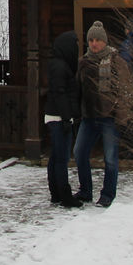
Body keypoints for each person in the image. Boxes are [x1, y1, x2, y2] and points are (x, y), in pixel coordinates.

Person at [74, 20, 130, 207]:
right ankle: (85, 191)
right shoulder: (83, 62)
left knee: (110, 158)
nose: (94, 44)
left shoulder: (116, 61)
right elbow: (78, 89)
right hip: (88, 116)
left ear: (104, 41)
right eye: (91, 40)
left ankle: (108, 194)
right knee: (79, 153)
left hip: (109, 116)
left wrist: (122, 115)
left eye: (98, 40)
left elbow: (125, 89)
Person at [43, 30, 83, 209]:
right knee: (61, 158)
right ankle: (64, 195)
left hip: (56, 115)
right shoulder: (60, 67)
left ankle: (56, 193)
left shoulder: (58, 65)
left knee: (56, 157)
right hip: (59, 117)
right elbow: (61, 94)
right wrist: (67, 118)